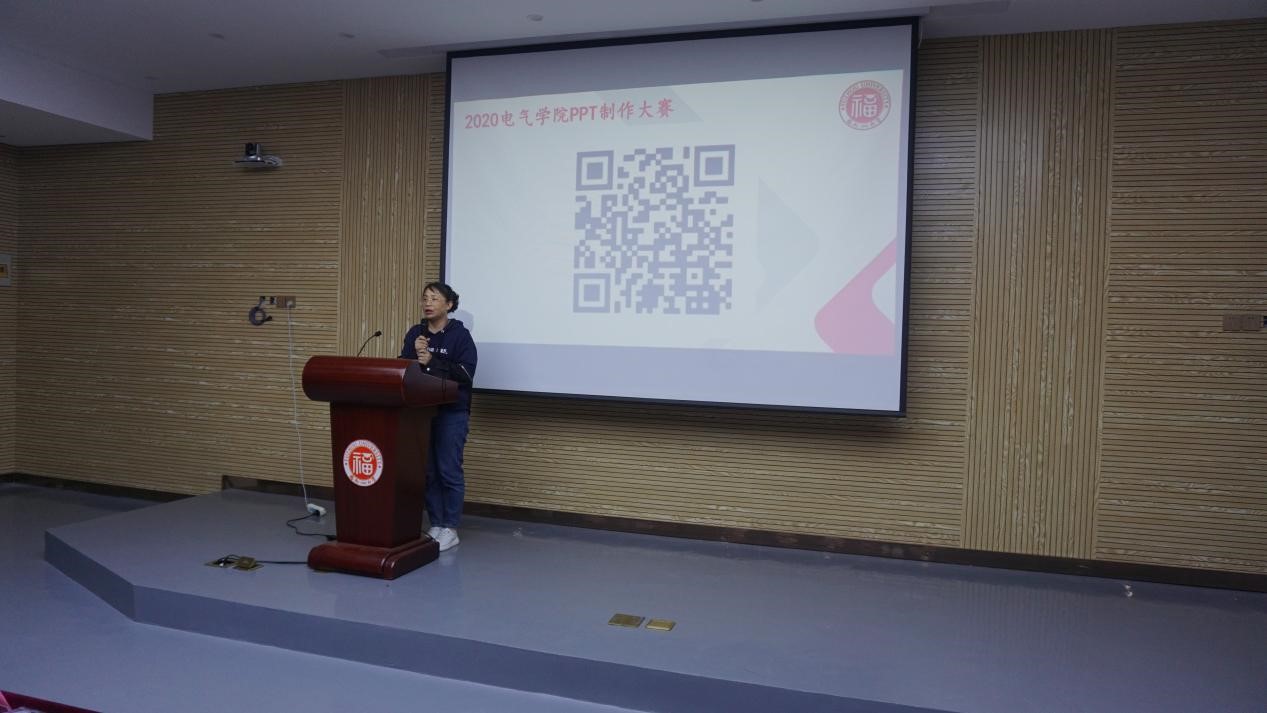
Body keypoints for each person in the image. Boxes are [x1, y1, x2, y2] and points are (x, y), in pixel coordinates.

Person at [399, 282, 477, 552]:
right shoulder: (416, 333)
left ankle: (450, 528)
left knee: (448, 469)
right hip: (421, 413)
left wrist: (431, 361)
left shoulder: (460, 337)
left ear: (449, 305)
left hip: (452, 412)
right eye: (425, 299)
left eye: (434, 299)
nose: (428, 303)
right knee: (428, 471)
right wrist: (413, 355)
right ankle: (436, 523)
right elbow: (403, 370)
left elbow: (465, 375)